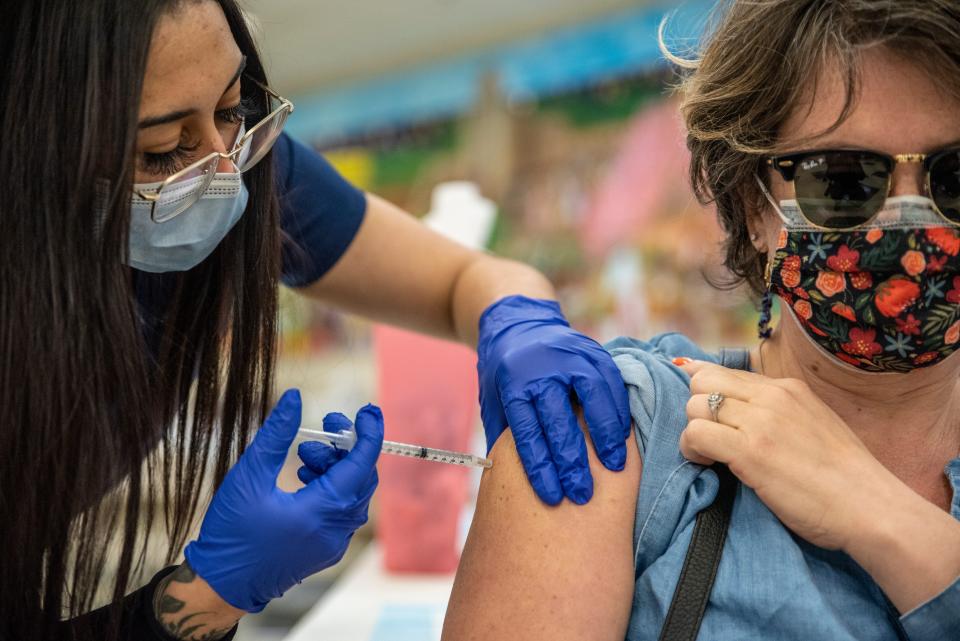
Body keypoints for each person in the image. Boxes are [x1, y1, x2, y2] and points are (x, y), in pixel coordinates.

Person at [0, 1, 633, 639]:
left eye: (231, 108)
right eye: (164, 151)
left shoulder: (241, 160)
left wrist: (519, 318)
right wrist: (208, 593)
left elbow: (465, 278)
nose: (224, 170)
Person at [442, 1, 960, 640]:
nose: (912, 221)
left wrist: (884, 519)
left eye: (956, 177)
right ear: (752, 206)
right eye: (845, 181)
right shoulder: (621, 432)